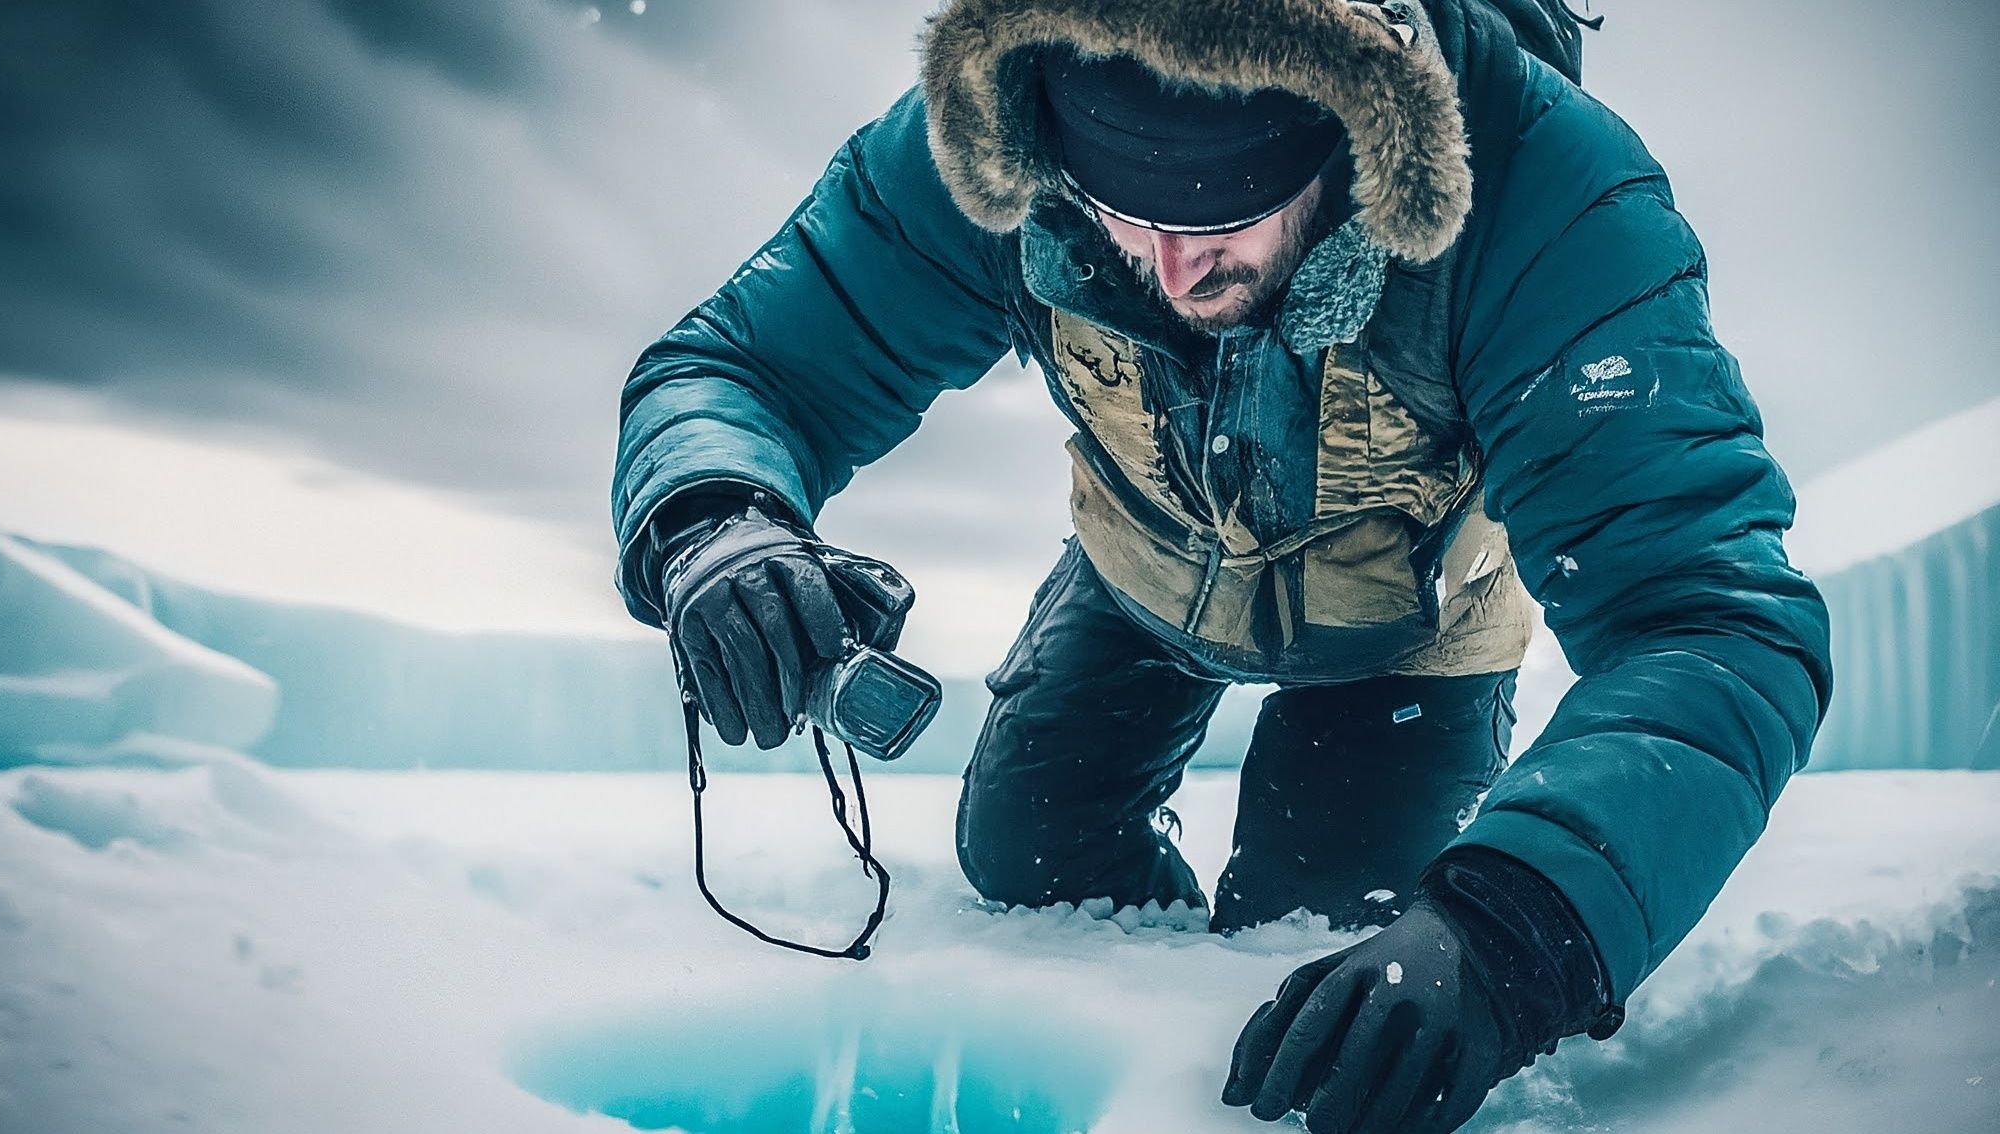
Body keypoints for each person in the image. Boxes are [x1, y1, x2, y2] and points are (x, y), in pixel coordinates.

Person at [611, 2, 1833, 1130]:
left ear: (1351, 147)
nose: (1168, 267)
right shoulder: (997, 134)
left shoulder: (1546, 203)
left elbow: (1708, 617)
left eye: (1217, 221)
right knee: (1028, 863)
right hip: (1137, 578)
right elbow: (745, 367)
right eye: (1118, 215)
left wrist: (1516, 929)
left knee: (1321, 977)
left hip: (1406, 629)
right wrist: (719, 520)